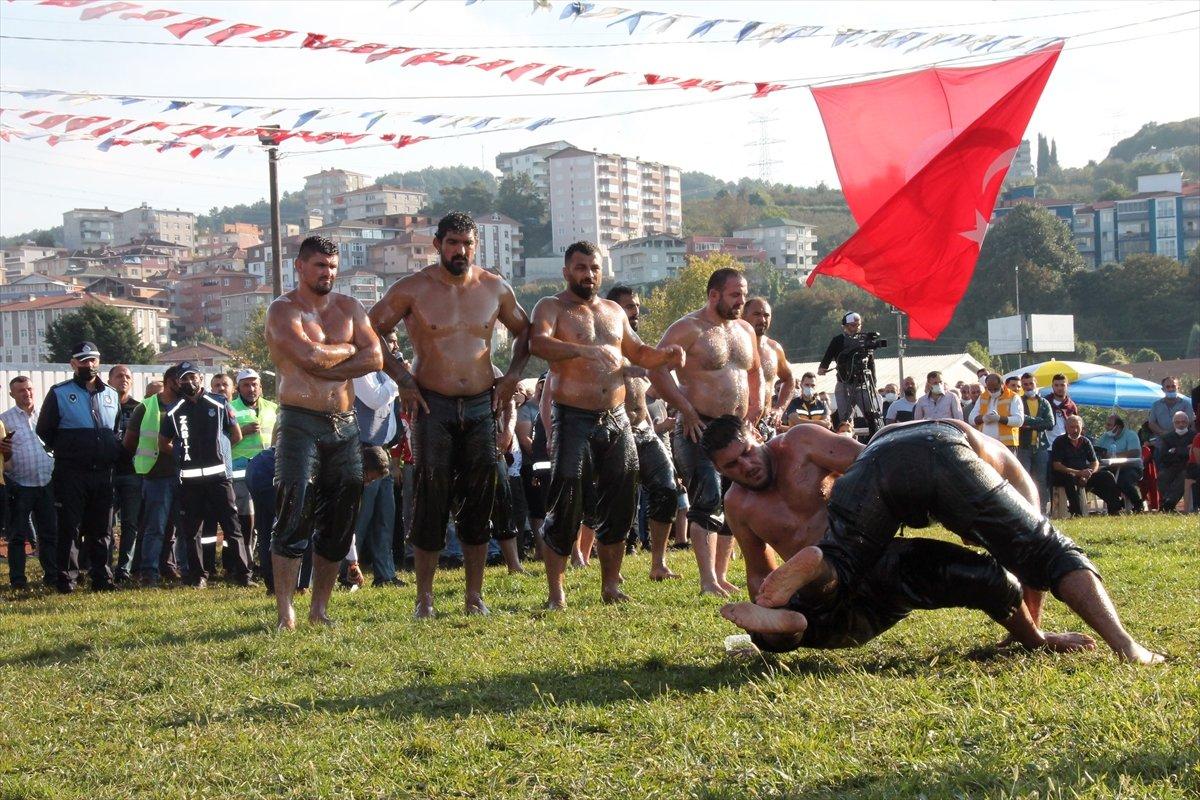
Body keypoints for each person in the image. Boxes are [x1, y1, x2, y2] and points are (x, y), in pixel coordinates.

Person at [709, 417, 1163, 664]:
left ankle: (791, 614)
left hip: (874, 512)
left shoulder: (801, 442)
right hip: (889, 501)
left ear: (756, 435)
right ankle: (1121, 645)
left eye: (746, 451)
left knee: (837, 575)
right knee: (1019, 562)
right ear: (722, 472)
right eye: (732, 466)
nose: (745, 466)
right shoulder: (740, 504)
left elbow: (874, 469)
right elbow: (1030, 557)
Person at [368, 212, 529, 618]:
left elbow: (527, 333)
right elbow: (369, 329)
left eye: (468, 243)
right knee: (430, 496)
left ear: (476, 246)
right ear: (437, 244)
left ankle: (474, 595)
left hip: (480, 403)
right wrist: (402, 376)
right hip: (431, 404)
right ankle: (425, 597)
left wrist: (512, 377)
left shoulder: (495, 288)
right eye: (453, 243)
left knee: (479, 500)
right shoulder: (413, 288)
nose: (461, 251)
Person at [530, 241, 684, 609]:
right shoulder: (551, 307)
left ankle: (611, 585)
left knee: (622, 497)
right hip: (573, 416)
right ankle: (556, 592)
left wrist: (667, 356)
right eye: (581, 268)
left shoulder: (614, 310)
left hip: (616, 418)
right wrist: (584, 351)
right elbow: (538, 344)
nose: (589, 275)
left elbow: (640, 352)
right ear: (567, 271)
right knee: (567, 499)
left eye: (594, 268)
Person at [266, 234, 384, 629]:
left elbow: (376, 356)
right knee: (293, 509)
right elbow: (308, 357)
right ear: (299, 266)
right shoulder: (283, 311)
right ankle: (286, 611)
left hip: (345, 425)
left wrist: (335, 358)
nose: (327, 273)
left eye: (332, 267)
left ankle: (320, 609)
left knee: (340, 517)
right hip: (300, 420)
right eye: (319, 265)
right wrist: (350, 351)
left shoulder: (349, 307)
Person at [651, 267, 761, 598]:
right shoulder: (688, 328)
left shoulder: (744, 330)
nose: (741, 301)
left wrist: (756, 407)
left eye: (743, 293)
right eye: (734, 295)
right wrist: (683, 408)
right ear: (714, 295)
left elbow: (754, 372)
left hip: (737, 429)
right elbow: (656, 368)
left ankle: (722, 574)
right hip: (698, 423)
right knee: (708, 497)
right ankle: (707, 578)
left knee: (733, 500)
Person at [607, 284, 683, 581]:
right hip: (614, 432)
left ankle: (659, 563)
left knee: (666, 488)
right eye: (628, 306)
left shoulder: (640, 348)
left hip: (644, 430)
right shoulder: (605, 346)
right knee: (618, 504)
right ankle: (608, 570)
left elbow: (647, 398)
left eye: (636, 305)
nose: (635, 311)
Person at [37, 341, 122, 593]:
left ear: (99, 361)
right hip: (71, 473)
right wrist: (71, 450)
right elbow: (44, 430)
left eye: (93, 360)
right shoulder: (59, 393)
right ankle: (67, 580)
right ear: (73, 364)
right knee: (69, 528)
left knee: (102, 530)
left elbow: (115, 430)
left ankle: (102, 578)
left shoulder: (111, 394)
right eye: (83, 360)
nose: (89, 365)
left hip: (103, 474)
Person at [159, 361, 253, 588]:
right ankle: (198, 575)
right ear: (177, 382)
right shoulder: (173, 410)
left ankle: (244, 575)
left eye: (193, 377)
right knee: (191, 532)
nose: (189, 382)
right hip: (189, 480)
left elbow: (236, 435)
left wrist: (219, 453)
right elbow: (164, 443)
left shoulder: (219, 403)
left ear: (201, 378)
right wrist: (183, 456)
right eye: (184, 378)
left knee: (232, 528)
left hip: (219, 478)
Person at [125, 365, 181, 586]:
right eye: (180, 380)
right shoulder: (146, 407)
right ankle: (149, 572)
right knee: (155, 526)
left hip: (183, 474)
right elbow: (129, 442)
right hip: (156, 475)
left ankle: (170, 566)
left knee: (178, 528)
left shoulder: (186, 405)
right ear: (169, 382)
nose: (185, 384)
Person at [1, 376, 57, 589]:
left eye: (30, 389)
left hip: (46, 483)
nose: (27, 393)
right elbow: (3, 456)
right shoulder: (5, 420)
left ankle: (51, 576)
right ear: (12, 394)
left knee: (49, 533)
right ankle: (18, 580)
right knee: (17, 536)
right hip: (20, 485)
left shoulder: (46, 417)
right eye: (21, 391)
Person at [351, 366, 402, 586]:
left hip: (383, 450)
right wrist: (396, 376)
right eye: (389, 342)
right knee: (360, 518)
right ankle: (348, 573)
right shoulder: (361, 371)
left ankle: (385, 574)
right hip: (363, 451)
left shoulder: (386, 375)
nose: (395, 346)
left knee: (385, 517)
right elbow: (375, 399)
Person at [229, 368, 276, 578]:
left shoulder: (273, 408)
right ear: (238, 388)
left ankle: (263, 563)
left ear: (261, 386)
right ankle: (245, 565)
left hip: (269, 472)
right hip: (242, 471)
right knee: (246, 521)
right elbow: (221, 443)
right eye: (246, 385)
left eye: (254, 384)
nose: (251, 388)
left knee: (266, 522)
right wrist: (242, 432)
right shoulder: (229, 409)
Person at [105, 364, 142, 584]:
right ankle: (104, 566)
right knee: (105, 523)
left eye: (127, 376)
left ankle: (124, 569)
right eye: (119, 376)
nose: (123, 379)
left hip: (132, 472)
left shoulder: (139, 408)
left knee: (130, 524)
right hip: (107, 472)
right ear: (109, 380)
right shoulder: (101, 405)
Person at [817, 312, 882, 435]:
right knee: (845, 419)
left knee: (872, 416)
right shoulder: (838, 341)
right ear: (845, 326)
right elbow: (827, 357)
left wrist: (874, 384)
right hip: (844, 384)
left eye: (858, 325)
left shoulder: (864, 340)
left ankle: (875, 439)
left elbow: (871, 364)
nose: (855, 328)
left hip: (862, 385)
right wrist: (823, 368)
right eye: (852, 325)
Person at [1049, 415, 1125, 517]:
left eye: (1077, 427)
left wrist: (1087, 474)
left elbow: (1095, 462)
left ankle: (1115, 509)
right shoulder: (1059, 442)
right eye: (1072, 427)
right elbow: (1057, 465)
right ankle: (1077, 513)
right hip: (1065, 475)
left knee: (1107, 476)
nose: (1075, 430)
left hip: (1084, 474)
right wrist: (1078, 473)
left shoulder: (1085, 441)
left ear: (1082, 428)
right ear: (1066, 428)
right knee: (1070, 479)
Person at [743, 297, 795, 438]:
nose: (762, 320)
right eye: (756, 314)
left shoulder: (774, 348)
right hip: (739, 423)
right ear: (743, 315)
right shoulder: (734, 346)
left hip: (765, 424)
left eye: (766, 315)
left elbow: (789, 379)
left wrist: (779, 409)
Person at [1015, 372, 1054, 512]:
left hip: (1041, 446)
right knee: (1024, 479)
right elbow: (1020, 419)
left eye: (1031, 383)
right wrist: (1038, 422)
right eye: (1025, 384)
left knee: (1041, 480)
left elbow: (1050, 423)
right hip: (1023, 446)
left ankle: (1042, 511)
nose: (1028, 386)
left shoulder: (1044, 402)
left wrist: (1030, 424)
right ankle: (1025, 510)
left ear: (1035, 383)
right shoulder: (1018, 401)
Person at [1095, 414, 1143, 512]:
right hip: (1111, 468)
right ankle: (1115, 505)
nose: (1106, 427)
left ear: (1118, 426)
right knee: (1102, 480)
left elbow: (1135, 452)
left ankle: (1138, 503)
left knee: (1123, 480)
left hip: (1131, 467)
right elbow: (1096, 450)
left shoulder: (1131, 435)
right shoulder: (1105, 437)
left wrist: (1114, 455)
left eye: (1109, 425)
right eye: (1106, 424)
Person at [972, 372, 1023, 450]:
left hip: (1006, 446)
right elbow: (971, 419)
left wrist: (999, 418)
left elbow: (1019, 421)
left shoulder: (1013, 397)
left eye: (996, 389)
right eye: (990, 389)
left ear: (1003, 385)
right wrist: (983, 418)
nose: (992, 392)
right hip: (985, 444)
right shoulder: (982, 397)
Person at [1156, 410, 1194, 512]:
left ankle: (1169, 503)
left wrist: (1175, 450)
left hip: (1189, 466)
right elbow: (1164, 456)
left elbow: (1193, 454)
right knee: (1162, 476)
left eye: (1183, 421)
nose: (1181, 424)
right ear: (1173, 424)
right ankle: (1167, 503)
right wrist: (1185, 450)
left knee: (1184, 476)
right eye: (1177, 422)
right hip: (1171, 466)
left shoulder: (1195, 436)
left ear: (1188, 422)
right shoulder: (1167, 438)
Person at [1046, 373, 1077, 444]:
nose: (1059, 388)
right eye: (1056, 385)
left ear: (1067, 386)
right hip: (1046, 446)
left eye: (1062, 385)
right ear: (1052, 386)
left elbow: (1076, 428)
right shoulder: (1045, 403)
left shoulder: (1071, 406)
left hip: (1065, 446)